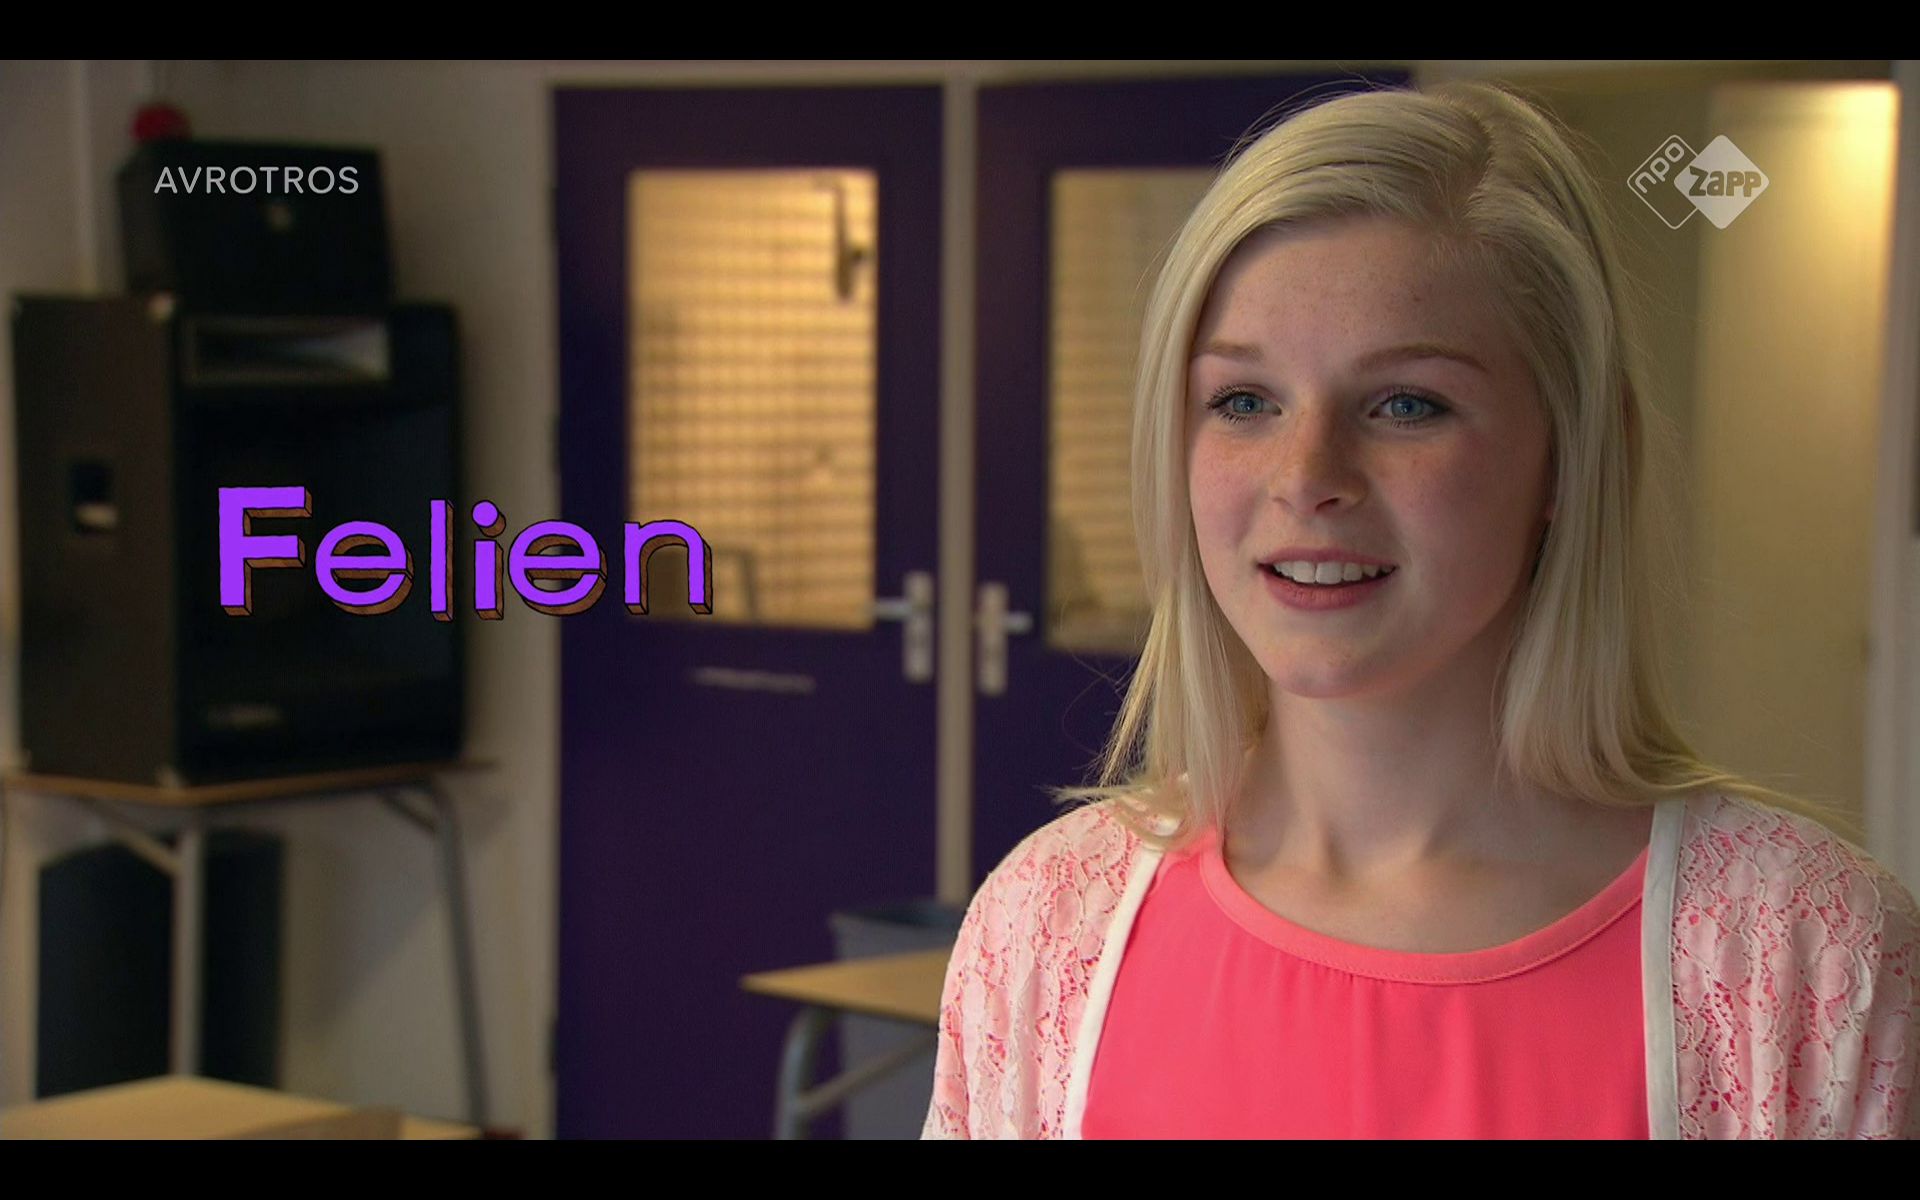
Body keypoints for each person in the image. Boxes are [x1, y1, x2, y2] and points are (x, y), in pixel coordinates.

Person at [921, 79, 1920, 1140]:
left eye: (1407, 404)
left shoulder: (1806, 956)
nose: (1307, 477)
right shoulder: (1045, 929)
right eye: (1244, 401)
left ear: (1570, 459)